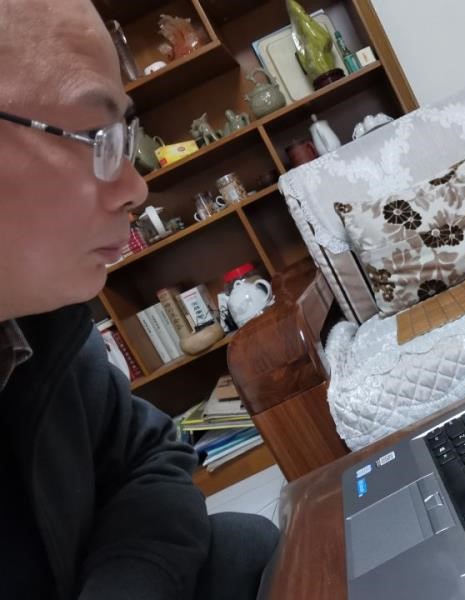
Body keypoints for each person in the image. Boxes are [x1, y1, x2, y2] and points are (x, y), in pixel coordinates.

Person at [0, 1, 279, 598]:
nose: (135, 187)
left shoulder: (41, 330)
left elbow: (150, 456)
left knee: (244, 545)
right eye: (94, 136)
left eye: (121, 138)